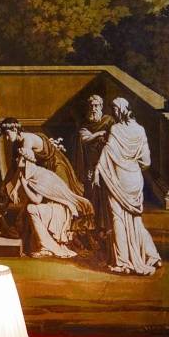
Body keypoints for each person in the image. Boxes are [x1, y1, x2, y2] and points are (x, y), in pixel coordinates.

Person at [0, 118, 92, 258]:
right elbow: (20, 168)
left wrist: (17, 187)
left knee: (59, 199)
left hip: (55, 167)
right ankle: (39, 241)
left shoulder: (27, 140)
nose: (6, 138)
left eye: (7, 134)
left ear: (15, 130)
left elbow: (22, 166)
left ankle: (58, 239)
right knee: (34, 205)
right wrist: (14, 188)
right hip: (40, 169)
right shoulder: (19, 143)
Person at [94, 98, 162, 276]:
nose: (114, 113)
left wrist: (98, 170)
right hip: (134, 178)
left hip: (118, 178)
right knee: (135, 220)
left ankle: (123, 261)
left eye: (115, 109)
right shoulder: (140, 130)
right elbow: (146, 161)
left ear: (122, 110)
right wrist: (132, 162)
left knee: (117, 218)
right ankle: (152, 255)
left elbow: (107, 152)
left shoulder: (116, 129)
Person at [75, 95, 112, 247]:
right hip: (90, 166)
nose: (94, 108)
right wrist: (99, 134)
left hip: (107, 166)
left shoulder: (109, 121)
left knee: (105, 197)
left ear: (101, 107)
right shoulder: (85, 125)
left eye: (96, 105)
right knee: (92, 196)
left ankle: (106, 229)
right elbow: (85, 139)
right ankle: (94, 228)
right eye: (91, 106)